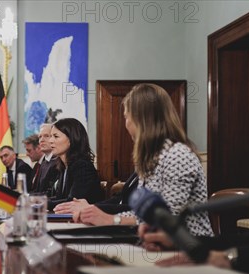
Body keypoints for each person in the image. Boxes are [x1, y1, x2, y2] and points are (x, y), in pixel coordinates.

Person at [81, 83, 213, 234]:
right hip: (159, 243)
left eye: (126, 117)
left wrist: (112, 220)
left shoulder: (177, 155)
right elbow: (142, 215)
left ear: (140, 119)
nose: (126, 124)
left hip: (191, 247)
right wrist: (99, 216)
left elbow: (168, 218)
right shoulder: (152, 157)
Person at [48, 118, 103, 209]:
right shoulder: (64, 166)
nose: (50, 140)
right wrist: (37, 201)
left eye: (56, 136)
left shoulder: (82, 166)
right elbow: (60, 197)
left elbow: (72, 201)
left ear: (72, 139)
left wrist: (42, 204)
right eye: (50, 136)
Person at [35, 123, 60, 196]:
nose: (41, 140)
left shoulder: (59, 162)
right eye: (40, 137)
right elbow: (38, 190)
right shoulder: (43, 163)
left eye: (46, 136)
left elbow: (52, 193)